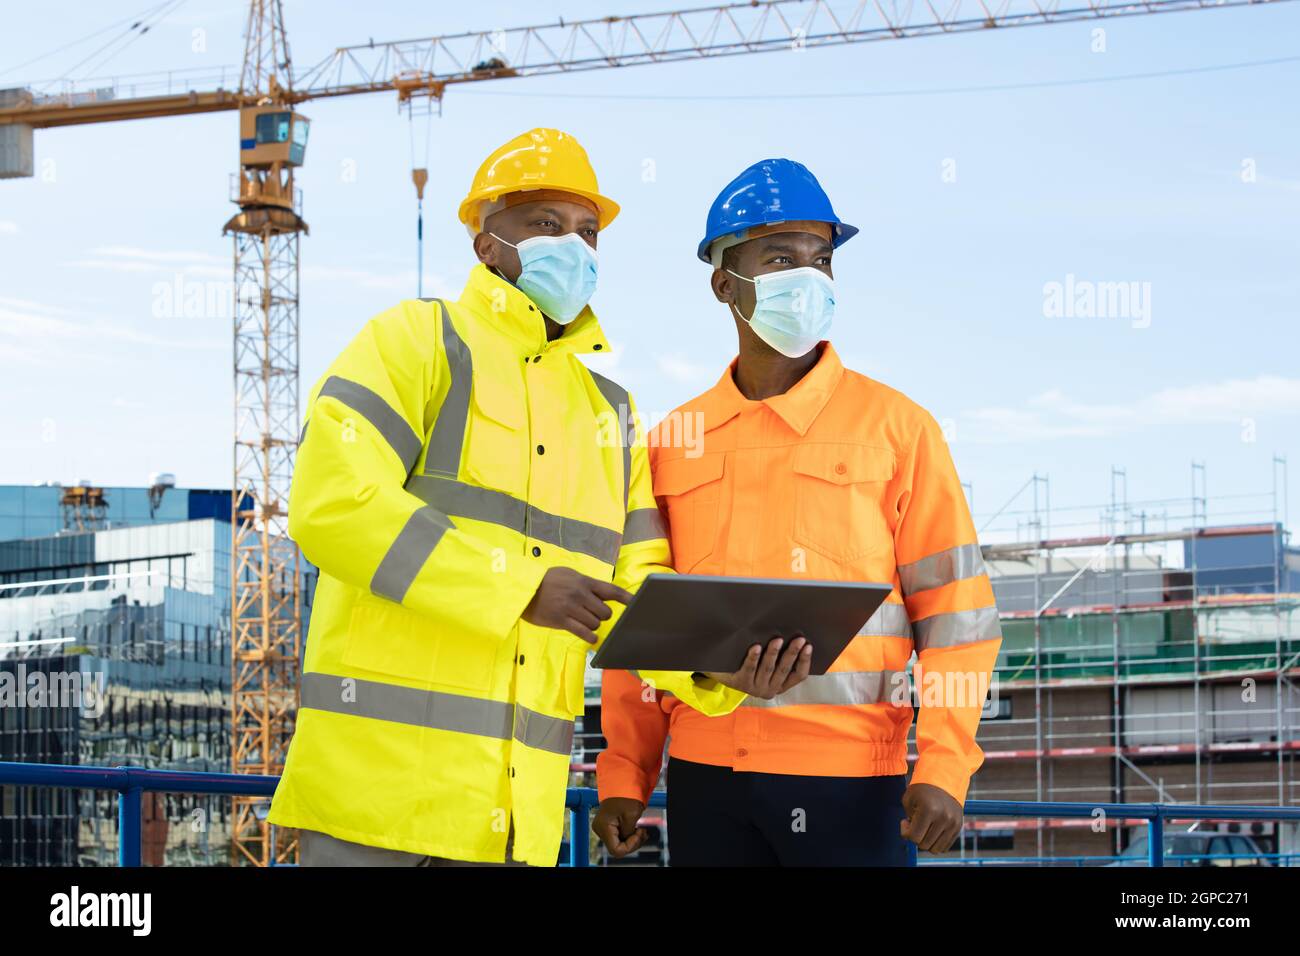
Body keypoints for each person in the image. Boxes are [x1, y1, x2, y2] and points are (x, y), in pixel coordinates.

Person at [267, 131, 810, 867]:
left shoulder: (609, 413)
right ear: (486, 242)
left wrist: (716, 669)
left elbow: (641, 594)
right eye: (545, 225)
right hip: (374, 809)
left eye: (587, 232)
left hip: (516, 825)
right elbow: (333, 503)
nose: (574, 247)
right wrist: (520, 588)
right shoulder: (416, 341)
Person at [593, 158, 1002, 866]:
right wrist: (626, 773)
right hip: (705, 780)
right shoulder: (670, 443)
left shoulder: (898, 429)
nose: (808, 277)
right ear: (725, 284)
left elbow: (956, 614)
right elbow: (643, 621)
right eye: (781, 257)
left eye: (821, 259)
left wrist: (944, 767)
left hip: (852, 783)